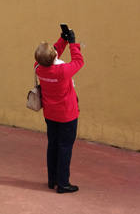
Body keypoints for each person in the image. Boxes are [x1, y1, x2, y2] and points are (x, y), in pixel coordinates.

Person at [34, 26, 84, 194]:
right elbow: (79, 61)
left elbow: (51, 55)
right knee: (65, 147)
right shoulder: (62, 71)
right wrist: (73, 43)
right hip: (67, 115)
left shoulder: (38, 67)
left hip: (50, 114)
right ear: (54, 56)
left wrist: (62, 40)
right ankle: (63, 183)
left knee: (53, 145)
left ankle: (52, 179)